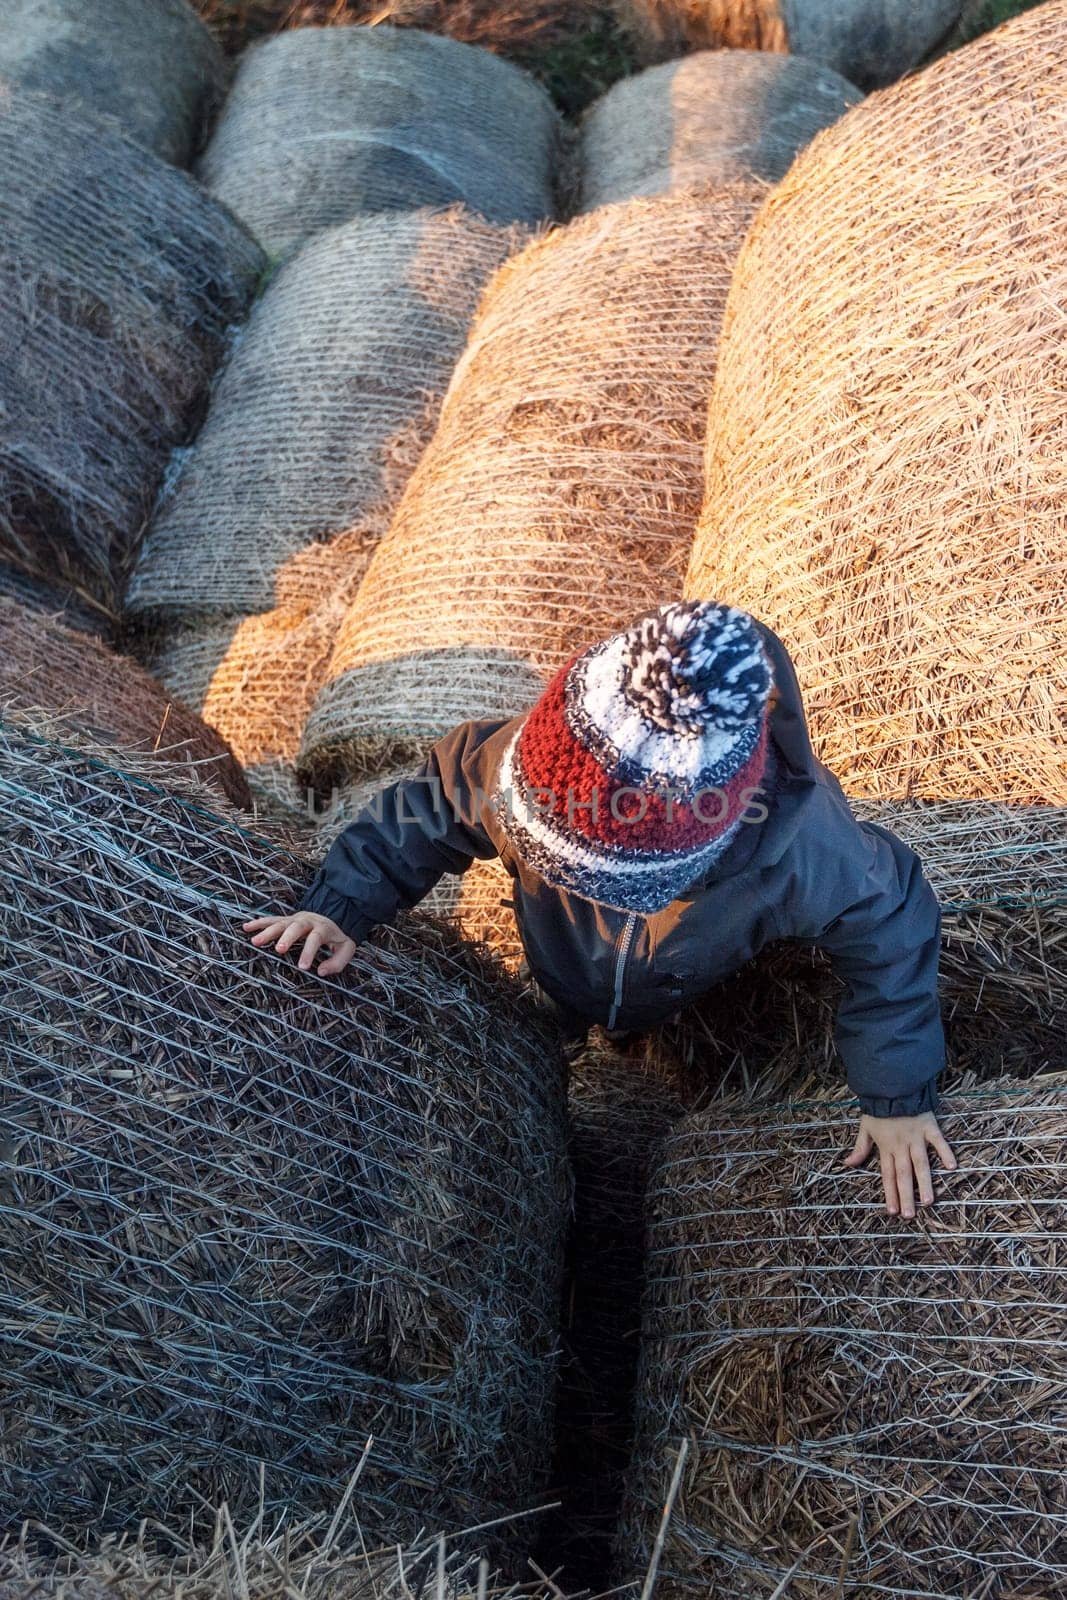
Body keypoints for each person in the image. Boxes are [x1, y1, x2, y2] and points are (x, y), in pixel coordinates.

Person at [246, 600, 957, 1217]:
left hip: (692, 976)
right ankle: (566, 1020)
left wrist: (894, 1097)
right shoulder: (524, 765)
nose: (568, 879)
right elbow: (433, 804)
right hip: (563, 960)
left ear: (693, 857)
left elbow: (891, 927)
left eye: (595, 879)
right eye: (541, 852)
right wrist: (343, 902)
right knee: (544, 1021)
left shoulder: (806, 854)